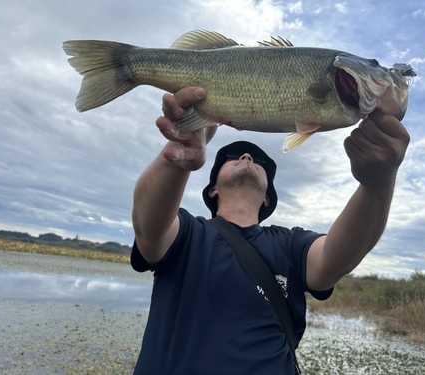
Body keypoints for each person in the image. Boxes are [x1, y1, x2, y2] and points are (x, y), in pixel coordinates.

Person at [130, 86, 410, 375]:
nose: (248, 158)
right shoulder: (187, 233)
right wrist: (176, 159)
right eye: (234, 156)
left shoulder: (290, 245)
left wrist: (378, 184)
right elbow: (148, 227)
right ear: (212, 189)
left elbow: (334, 260)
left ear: (267, 199)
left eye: (259, 161)